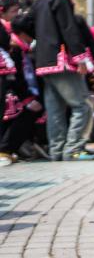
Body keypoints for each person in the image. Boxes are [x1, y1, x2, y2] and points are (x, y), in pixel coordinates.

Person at [31, 0, 94, 161]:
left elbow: (23, 23)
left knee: (55, 109)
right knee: (82, 105)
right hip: (62, 61)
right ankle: (73, 148)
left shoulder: (40, 1)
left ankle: (57, 150)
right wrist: (81, 58)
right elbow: (69, 30)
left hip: (43, 62)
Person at [0, 15, 45, 164]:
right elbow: (14, 78)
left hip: (18, 91)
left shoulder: (23, 49)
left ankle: (12, 148)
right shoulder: (13, 49)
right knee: (23, 109)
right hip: (11, 91)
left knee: (35, 107)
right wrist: (27, 98)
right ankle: (4, 149)